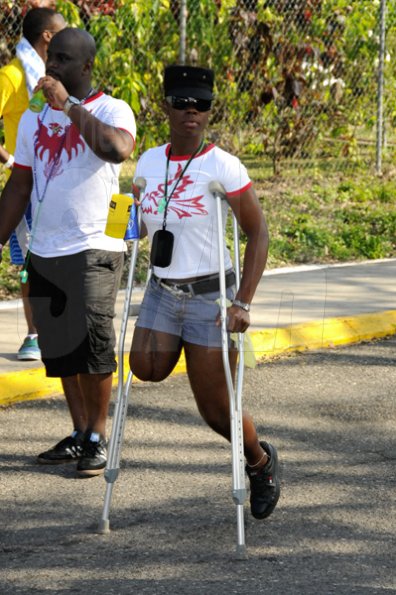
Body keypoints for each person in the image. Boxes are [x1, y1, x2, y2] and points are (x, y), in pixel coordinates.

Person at [129, 65, 280, 520]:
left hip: (210, 296)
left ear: (210, 111)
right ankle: (186, 350)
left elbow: (258, 234)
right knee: (146, 366)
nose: (192, 112)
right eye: (182, 103)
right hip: (161, 287)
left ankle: (260, 462)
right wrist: (124, 225)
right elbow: (139, 219)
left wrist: (243, 302)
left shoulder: (223, 166)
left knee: (216, 410)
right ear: (166, 107)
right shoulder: (149, 162)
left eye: (202, 104)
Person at [0, 27, 136, 477]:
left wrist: (68, 106)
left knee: (93, 345)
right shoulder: (32, 119)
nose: (51, 65)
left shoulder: (113, 109)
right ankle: (79, 434)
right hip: (45, 246)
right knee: (61, 350)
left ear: (86, 67)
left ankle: (99, 436)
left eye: (61, 59)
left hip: (94, 244)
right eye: (49, 58)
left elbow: (113, 149)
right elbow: (19, 185)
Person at [0, 7, 66, 360]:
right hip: (26, 184)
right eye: (62, 30)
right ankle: (34, 334)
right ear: (48, 37)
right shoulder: (13, 75)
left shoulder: (59, 76)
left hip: (58, 179)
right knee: (29, 263)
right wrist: (10, 159)